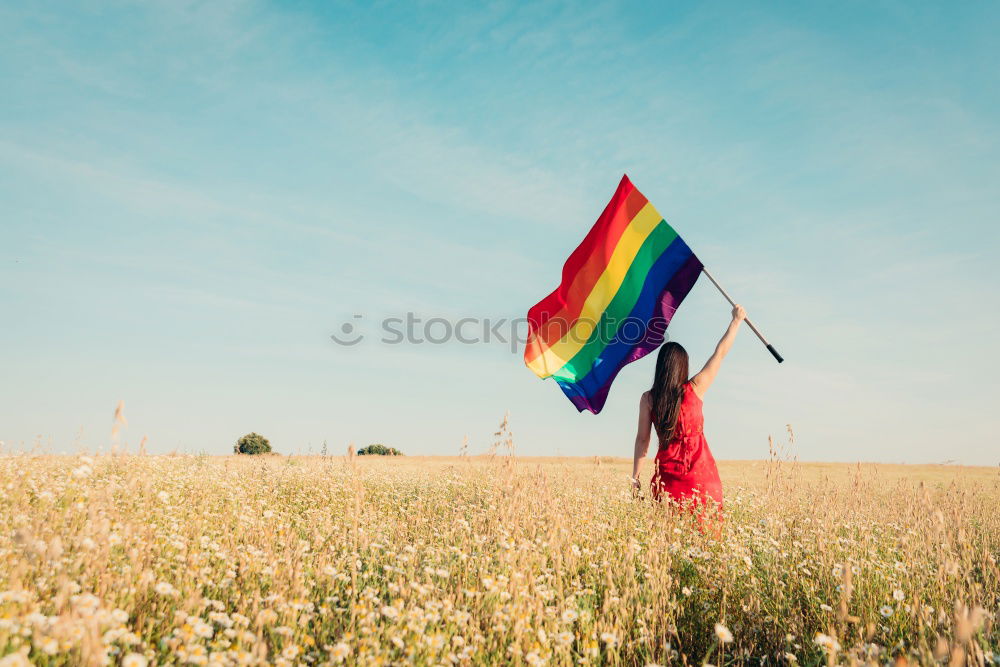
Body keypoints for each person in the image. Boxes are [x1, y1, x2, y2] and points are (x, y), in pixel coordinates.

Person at [630, 304, 746, 518]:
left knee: (668, 542)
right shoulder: (695, 387)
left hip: (667, 481)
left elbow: (642, 441)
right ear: (683, 366)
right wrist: (736, 321)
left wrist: (635, 479)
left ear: (661, 367)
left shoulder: (649, 399)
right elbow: (719, 353)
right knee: (706, 542)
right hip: (702, 480)